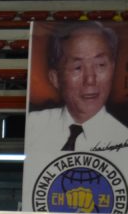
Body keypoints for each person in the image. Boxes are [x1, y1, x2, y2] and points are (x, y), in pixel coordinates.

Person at [27, 22, 128, 153]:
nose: (90, 80)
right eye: (77, 67)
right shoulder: (34, 125)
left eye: (101, 65)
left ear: (113, 69)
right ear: (55, 78)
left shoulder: (123, 137)